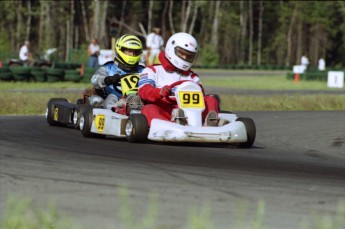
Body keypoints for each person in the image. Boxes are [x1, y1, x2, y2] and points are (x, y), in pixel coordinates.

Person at [138, 32, 219, 127]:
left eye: (189, 56)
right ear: (171, 49)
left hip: (190, 111)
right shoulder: (153, 70)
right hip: (164, 109)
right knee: (148, 109)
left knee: (211, 100)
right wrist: (159, 92)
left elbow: (200, 97)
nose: (185, 58)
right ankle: (171, 126)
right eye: (181, 53)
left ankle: (207, 124)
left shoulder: (192, 77)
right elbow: (144, 90)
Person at [90, 34, 144, 110]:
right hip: (115, 98)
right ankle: (114, 112)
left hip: (138, 99)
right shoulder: (109, 67)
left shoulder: (142, 70)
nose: (132, 54)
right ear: (120, 50)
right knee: (110, 98)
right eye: (129, 51)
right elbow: (94, 80)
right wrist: (107, 79)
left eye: (135, 52)